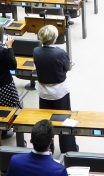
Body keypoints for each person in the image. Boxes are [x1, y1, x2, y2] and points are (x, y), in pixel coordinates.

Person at [33, 25, 78, 154]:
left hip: (43, 92)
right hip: (59, 92)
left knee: (46, 122)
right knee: (64, 120)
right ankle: (68, 148)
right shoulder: (60, 53)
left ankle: (48, 148)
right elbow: (66, 68)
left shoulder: (36, 51)